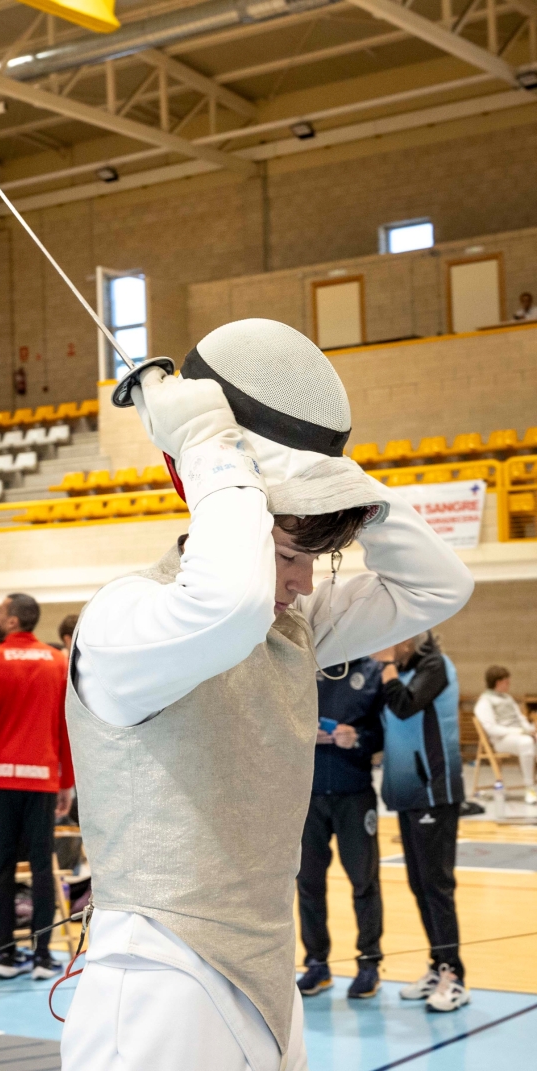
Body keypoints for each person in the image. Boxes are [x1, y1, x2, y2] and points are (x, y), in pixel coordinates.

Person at [61, 318, 474, 1071]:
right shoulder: (125, 619)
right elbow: (226, 605)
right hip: (159, 980)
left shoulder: (288, 629)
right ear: (235, 515)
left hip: (265, 979)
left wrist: (324, 472)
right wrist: (214, 448)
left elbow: (440, 583)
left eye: (315, 559)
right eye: (288, 555)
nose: (303, 582)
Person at [0, 592, 75, 981]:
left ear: (12, 621)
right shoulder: (57, 661)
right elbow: (65, 726)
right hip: (42, 780)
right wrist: (67, 780)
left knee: (4, 867)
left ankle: (6, 958)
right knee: (43, 866)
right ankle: (43, 957)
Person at [373, 632, 468, 1013]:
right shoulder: (404, 669)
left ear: (411, 638)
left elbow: (404, 706)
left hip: (435, 792)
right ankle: (437, 965)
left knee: (437, 886)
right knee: (419, 884)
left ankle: (454, 976)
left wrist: (386, 666)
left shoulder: (435, 666)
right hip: (408, 794)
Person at [296, 657, 384, 1000]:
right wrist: (302, 735)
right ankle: (316, 964)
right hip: (309, 797)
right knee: (309, 884)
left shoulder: (372, 672)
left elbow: (383, 731)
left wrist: (359, 737)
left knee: (364, 882)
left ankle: (368, 964)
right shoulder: (302, 665)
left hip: (355, 796)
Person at [475, 665, 536, 804]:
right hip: (502, 740)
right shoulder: (484, 702)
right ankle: (530, 788)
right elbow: (492, 729)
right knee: (526, 743)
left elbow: (520, 719)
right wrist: (521, 732)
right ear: (498, 682)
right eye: (506, 682)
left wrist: (531, 731)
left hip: (520, 736)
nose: (509, 685)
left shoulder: (508, 698)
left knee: (529, 740)